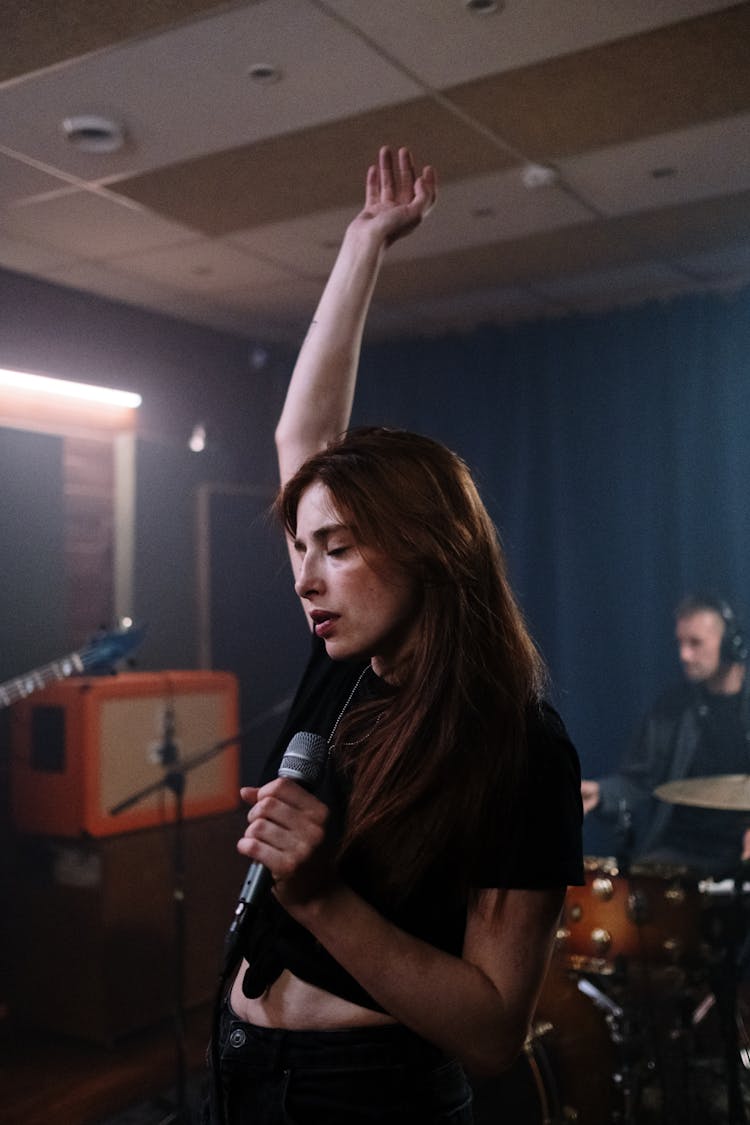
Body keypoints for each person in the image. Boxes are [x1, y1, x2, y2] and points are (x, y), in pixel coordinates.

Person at [208, 146, 583, 1125]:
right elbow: (306, 443)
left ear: (426, 549)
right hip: (243, 1072)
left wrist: (323, 896)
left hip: (365, 1098)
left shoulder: (519, 745)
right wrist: (360, 246)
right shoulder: (347, 670)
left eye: (335, 548)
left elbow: (495, 1027)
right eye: (301, 545)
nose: (302, 576)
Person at [582, 592, 750, 878]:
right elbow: (638, 781)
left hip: (741, 850)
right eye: (681, 644)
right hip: (684, 850)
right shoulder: (672, 708)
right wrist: (600, 794)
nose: (684, 655)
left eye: (695, 643)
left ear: (730, 644)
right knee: (642, 883)